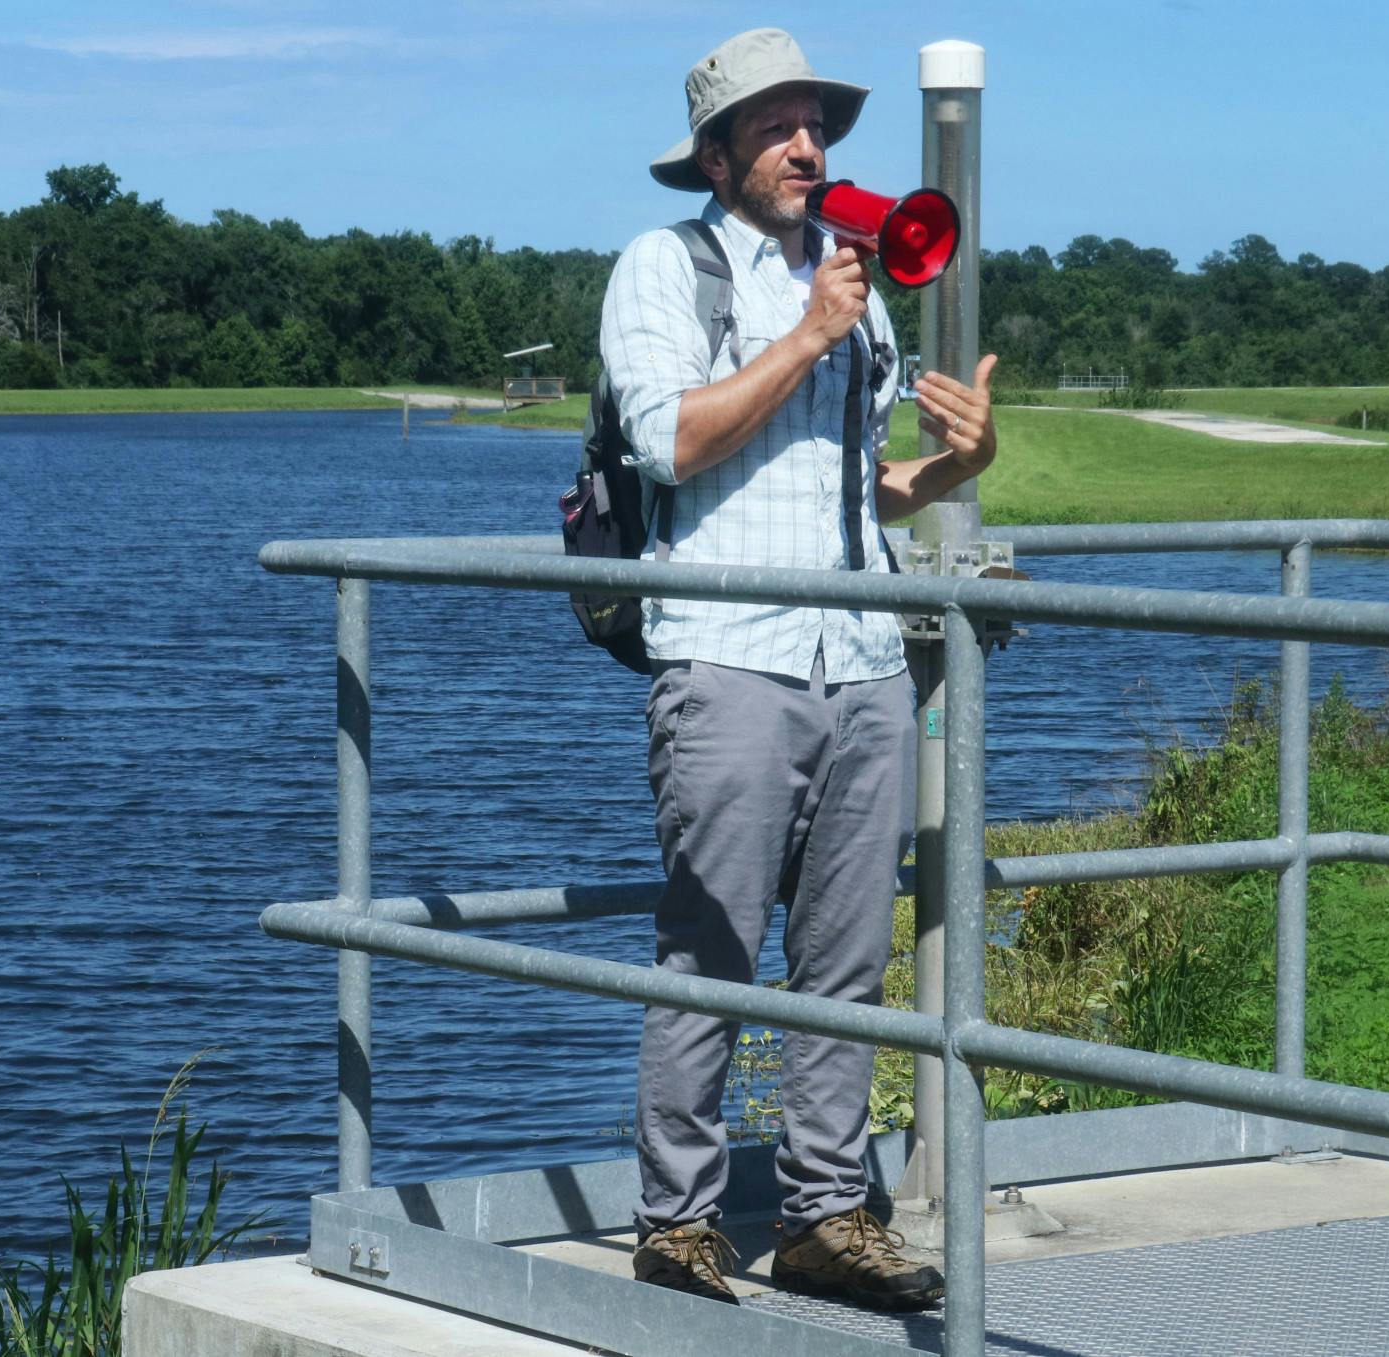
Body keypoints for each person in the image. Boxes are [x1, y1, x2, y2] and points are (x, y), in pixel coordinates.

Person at [599, 27, 999, 1310]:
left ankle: (825, 1217)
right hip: (727, 658)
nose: (805, 147)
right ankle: (677, 1224)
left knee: (841, 961)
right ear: (713, 154)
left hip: (863, 653)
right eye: (774, 127)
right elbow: (669, 441)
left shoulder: (855, 283)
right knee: (710, 951)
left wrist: (956, 466)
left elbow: (855, 487)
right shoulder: (664, 269)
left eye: (814, 124)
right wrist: (809, 335)